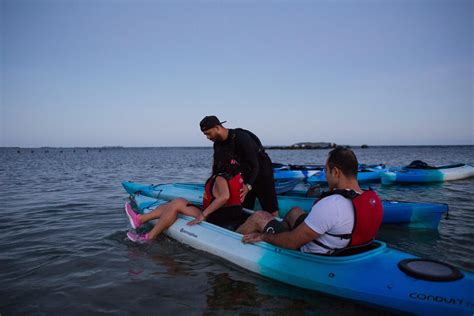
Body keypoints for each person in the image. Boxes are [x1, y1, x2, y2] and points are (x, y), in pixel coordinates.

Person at [237, 146, 383, 255]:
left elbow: (292, 242)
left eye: (326, 171)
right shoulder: (370, 198)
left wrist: (263, 236)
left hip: (312, 252)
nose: (326, 175)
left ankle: (231, 241)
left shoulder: (333, 204)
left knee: (259, 216)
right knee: (295, 211)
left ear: (336, 172)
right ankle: (279, 233)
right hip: (345, 245)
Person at [125, 149, 244, 242]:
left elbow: (224, 197)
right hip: (228, 216)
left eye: (213, 159)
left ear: (218, 162)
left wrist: (203, 214)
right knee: (177, 202)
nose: (211, 161)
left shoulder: (221, 177)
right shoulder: (237, 175)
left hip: (218, 219)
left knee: (176, 204)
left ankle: (148, 236)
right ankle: (140, 219)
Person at [199, 115, 279, 216]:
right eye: (205, 135)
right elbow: (216, 167)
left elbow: (255, 165)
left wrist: (248, 186)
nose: (208, 137)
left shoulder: (240, 137)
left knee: (270, 207)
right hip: (244, 172)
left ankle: (276, 226)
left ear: (217, 128)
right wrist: (211, 186)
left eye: (208, 133)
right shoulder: (218, 144)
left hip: (261, 169)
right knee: (244, 206)